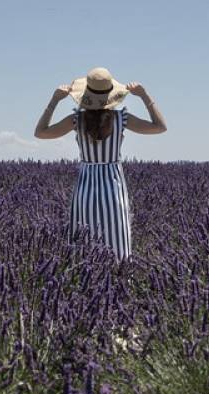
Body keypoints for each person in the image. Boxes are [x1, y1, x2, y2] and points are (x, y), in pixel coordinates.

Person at [34, 66, 167, 262]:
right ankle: (118, 283)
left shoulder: (76, 120)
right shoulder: (121, 118)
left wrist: (54, 100)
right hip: (113, 188)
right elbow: (160, 127)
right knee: (117, 242)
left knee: (83, 246)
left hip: (85, 188)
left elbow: (41, 132)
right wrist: (144, 95)